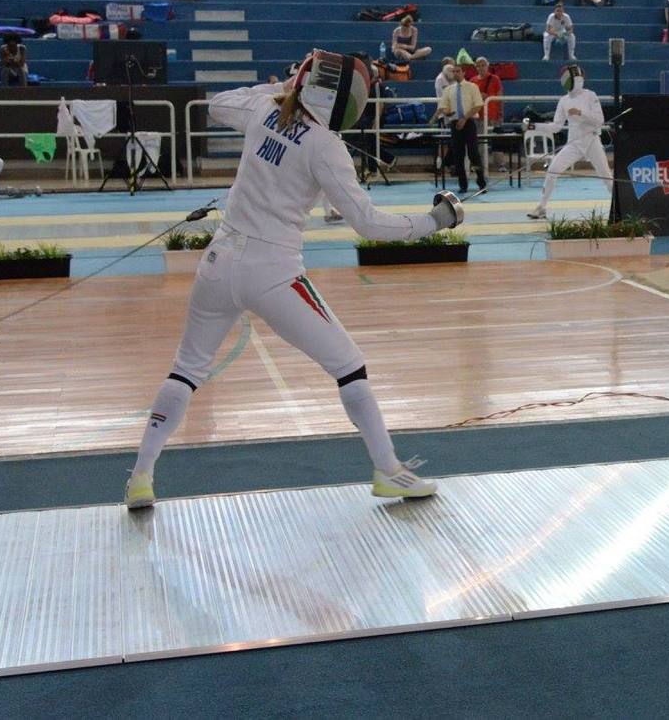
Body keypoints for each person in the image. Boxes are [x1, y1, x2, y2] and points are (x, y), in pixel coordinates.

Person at [123, 51, 462, 509]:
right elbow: (369, 224)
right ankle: (388, 471)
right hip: (274, 273)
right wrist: (435, 220)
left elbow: (219, 104)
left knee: (187, 369)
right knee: (349, 365)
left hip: (219, 262)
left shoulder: (266, 109)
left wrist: (281, 91)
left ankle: (140, 477)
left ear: (305, 80)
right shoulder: (325, 144)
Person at [525, 65, 611, 220]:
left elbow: (600, 120)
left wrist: (581, 113)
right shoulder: (564, 101)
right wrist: (534, 126)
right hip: (574, 144)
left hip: (592, 141)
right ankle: (541, 207)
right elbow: (556, 127)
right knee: (553, 170)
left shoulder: (591, 95)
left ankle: (620, 206)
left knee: (606, 175)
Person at [434, 62, 487, 193]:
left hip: (468, 122)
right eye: (454, 71)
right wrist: (445, 112)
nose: (456, 74)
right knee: (458, 155)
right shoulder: (448, 89)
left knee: (473, 153)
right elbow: (444, 106)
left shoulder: (472, 87)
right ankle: (462, 184)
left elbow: (478, 105)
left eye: (458, 71)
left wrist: (465, 117)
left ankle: (481, 182)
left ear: (464, 73)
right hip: (454, 122)